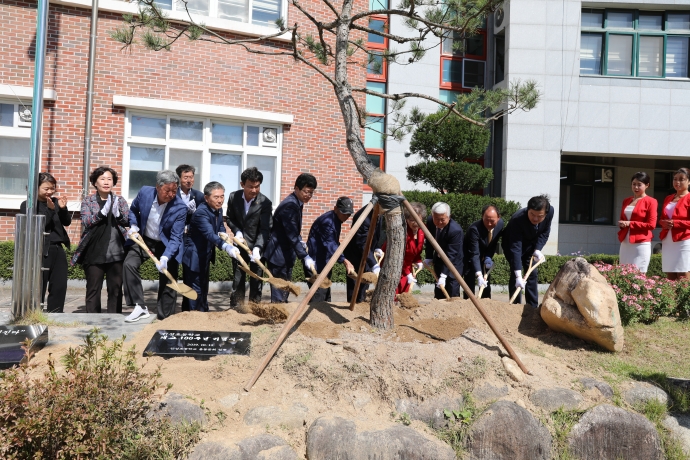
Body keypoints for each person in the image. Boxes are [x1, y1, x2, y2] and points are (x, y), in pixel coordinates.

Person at [123, 170, 187, 322]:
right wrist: (133, 225)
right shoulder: (145, 192)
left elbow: (176, 237)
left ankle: (166, 317)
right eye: (167, 190)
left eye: (174, 190)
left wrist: (165, 256)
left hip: (166, 244)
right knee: (129, 264)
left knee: (168, 278)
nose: (171, 194)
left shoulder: (180, 207)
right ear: (158, 187)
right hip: (144, 239)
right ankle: (139, 306)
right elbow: (133, 210)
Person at [71, 167, 130, 313]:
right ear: (95, 182)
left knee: (115, 290)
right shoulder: (88, 201)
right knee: (93, 289)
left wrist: (118, 215)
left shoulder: (120, 200)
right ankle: (93, 323)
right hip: (94, 251)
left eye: (109, 179)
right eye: (102, 179)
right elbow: (86, 222)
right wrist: (101, 213)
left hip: (116, 252)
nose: (106, 182)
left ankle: (114, 320)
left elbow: (128, 221)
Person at [182, 182, 239, 311]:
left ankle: (203, 314)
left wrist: (223, 233)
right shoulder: (201, 213)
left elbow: (219, 226)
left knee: (203, 288)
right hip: (194, 256)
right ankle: (194, 318)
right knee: (195, 291)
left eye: (222, 196)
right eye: (216, 197)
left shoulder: (219, 209)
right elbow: (209, 234)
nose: (220, 200)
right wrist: (226, 247)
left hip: (205, 255)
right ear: (207, 198)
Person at [19, 172, 72, 313]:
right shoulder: (28, 205)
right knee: (39, 284)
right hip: (40, 249)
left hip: (57, 248)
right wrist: (49, 209)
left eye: (52, 188)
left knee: (59, 285)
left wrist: (62, 208)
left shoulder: (55, 201)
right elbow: (39, 226)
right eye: (46, 188)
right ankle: (35, 313)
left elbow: (66, 222)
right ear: (35, 188)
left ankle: (56, 314)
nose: (50, 191)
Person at [264, 173, 317, 303]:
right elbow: (291, 233)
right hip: (278, 254)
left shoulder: (297, 203)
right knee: (279, 289)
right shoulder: (289, 206)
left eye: (311, 192)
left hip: (286, 253)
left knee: (285, 288)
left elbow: (293, 231)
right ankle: (276, 317)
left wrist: (300, 241)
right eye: (306, 191)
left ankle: (281, 314)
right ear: (296, 188)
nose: (308, 195)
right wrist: (304, 256)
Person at [225, 167, 273, 308]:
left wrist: (258, 248)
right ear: (242, 184)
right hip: (240, 247)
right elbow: (230, 218)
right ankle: (236, 309)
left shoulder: (265, 202)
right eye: (250, 187)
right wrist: (237, 232)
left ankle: (254, 309)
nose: (254, 190)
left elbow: (265, 228)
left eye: (257, 187)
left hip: (257, 248)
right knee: (238, 278)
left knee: (256, 281)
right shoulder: (234, 197)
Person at [501, 194, 554, 308]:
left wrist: (537, 249)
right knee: (516, 275)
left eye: (539, 216)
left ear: (545, 213)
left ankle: (532, 307)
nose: (535, 219)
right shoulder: (518, 219)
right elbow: (516, 247)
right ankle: (515, 306)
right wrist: (518, 276)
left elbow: (545, 232)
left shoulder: (550, 212)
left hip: (531, 245)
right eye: (532, 214)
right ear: (528, 210)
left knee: (532, 273)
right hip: (512, 244)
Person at [305, 197, 356, 302]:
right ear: (335, 208)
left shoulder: (336, 219)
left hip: (325, 263)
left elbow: (333, 242)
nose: (346, 216)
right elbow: (330, 244)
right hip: (316, 265)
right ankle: (315, 318)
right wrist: (345, 261)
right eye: (344, 213)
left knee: (326, 298)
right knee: (318, 299)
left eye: (348, 214)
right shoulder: (327, 222)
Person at [379, 201, 426, 296]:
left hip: (407, 268)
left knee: (405, 294)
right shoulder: (401, 232)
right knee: (393, 294)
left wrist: (418, 260)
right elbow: (397, 255)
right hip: (394, 266)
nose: (415, 223)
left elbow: (417, 250)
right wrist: (407, 273)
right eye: (412, 220)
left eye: (418, 220)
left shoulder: (422, 231)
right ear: (407, 219)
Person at [176, 164, 205, 312]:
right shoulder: (173, 194)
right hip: (175, 239)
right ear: (179, 179)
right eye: (185, 177)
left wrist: (193, 214)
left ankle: (190, 308)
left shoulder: (199, 196)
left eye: (191, 177)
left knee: (191, 275)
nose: (189, 180)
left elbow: (202, 218)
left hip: (191, 240)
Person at [618, 172, 657, 273]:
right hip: (625, 242)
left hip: (641, 243)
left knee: (638, 274)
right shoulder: (626, 200)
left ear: (647, 185)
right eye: (633, 184)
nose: (636, 187)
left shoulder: (651, 201)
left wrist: (630, 223)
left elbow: (651, 225)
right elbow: (623, 218)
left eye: (639, 184)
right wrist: (622, 224)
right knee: (623, 273)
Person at [423, 202, 464, 299]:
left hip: (453, 263)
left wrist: (444, 275)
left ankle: (454, 311)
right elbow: (429, 240)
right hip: (439, 260)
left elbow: (451, 254)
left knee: (452, 287)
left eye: (442, 219)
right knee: (439, 290)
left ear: (449, 217)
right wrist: (428, 257)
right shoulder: (430, 222)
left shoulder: (455, 230)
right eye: (436, 219)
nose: (439, 222)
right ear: (432, 215)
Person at [463, 204, 504, 299]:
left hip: (485, 258)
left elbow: (493, 243)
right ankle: (469, 305)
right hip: (469, 257)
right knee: (469, 285)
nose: (489, 224)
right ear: (482, 216)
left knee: (485, 283)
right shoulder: (475, 229)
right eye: (486, 220)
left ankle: (486, 303)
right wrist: (479, 275)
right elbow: (475, 253)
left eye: (492, 221)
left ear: (498, 218)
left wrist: (489, 257)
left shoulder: (500, 224)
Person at [343, 204, 382, 303]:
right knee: (355, 287)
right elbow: (361, 243)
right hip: (355, 255)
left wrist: (376, 247)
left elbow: (376, 234)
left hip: (367, 254)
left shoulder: (380, 212)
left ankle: (361, 304)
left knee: (365, 285)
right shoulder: (363, 217)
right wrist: (374, 263)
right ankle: (352, 308)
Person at [660, 168, 690, 280]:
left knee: (682, 272)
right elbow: (662, 218)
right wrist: (663, 223)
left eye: (682, 179)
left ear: (689, 182)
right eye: (675, 179)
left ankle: (685, 297)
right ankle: (671, 297)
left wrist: (676, 223)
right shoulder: (668, 198)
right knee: (670, 272)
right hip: (668, 239)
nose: (677, 182)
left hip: (684, 239)